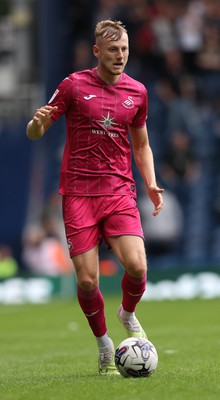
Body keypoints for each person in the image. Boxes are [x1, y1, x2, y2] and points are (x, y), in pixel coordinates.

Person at [26, 19, 164, 376]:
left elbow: (142, 144)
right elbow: (36, 131)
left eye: (125, 50)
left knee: (137, 266)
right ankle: (104, 345)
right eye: (114, 50)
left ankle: (127, 314)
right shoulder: (73, 85)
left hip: (119, 191)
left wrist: (149, 182)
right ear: (96, 51)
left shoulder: (138, 92)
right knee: (88, 280)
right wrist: (37, 125)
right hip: (78, 194)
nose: (120, 56)